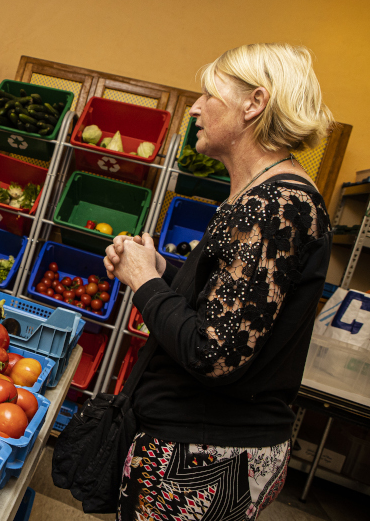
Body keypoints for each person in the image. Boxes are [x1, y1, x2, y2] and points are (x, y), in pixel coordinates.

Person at [103, 43, 334, 520]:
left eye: (208, 93)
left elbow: (214, 352)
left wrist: (143, 281)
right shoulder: (260, 194)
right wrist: (161, 270)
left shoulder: (275, 206)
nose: (194, 107)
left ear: (254, 103)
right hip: (200, 441)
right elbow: (231, 304)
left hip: (207, 452)